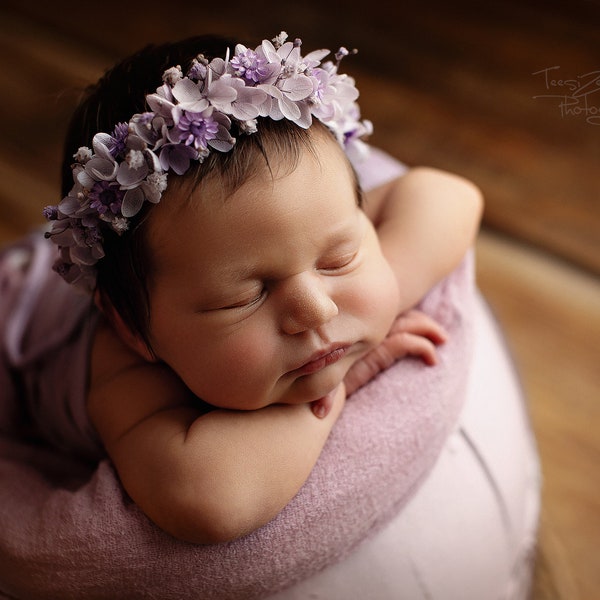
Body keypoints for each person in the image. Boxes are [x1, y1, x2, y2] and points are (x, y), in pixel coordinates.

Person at [43, 32, 483, 544]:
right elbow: (210, 500)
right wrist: (344, 383)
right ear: (135, 330)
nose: (318, 310)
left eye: (338, 259)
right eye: (244, 298)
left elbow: (449, 195)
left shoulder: (292, 217)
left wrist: (381, 291)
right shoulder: (125, 370)